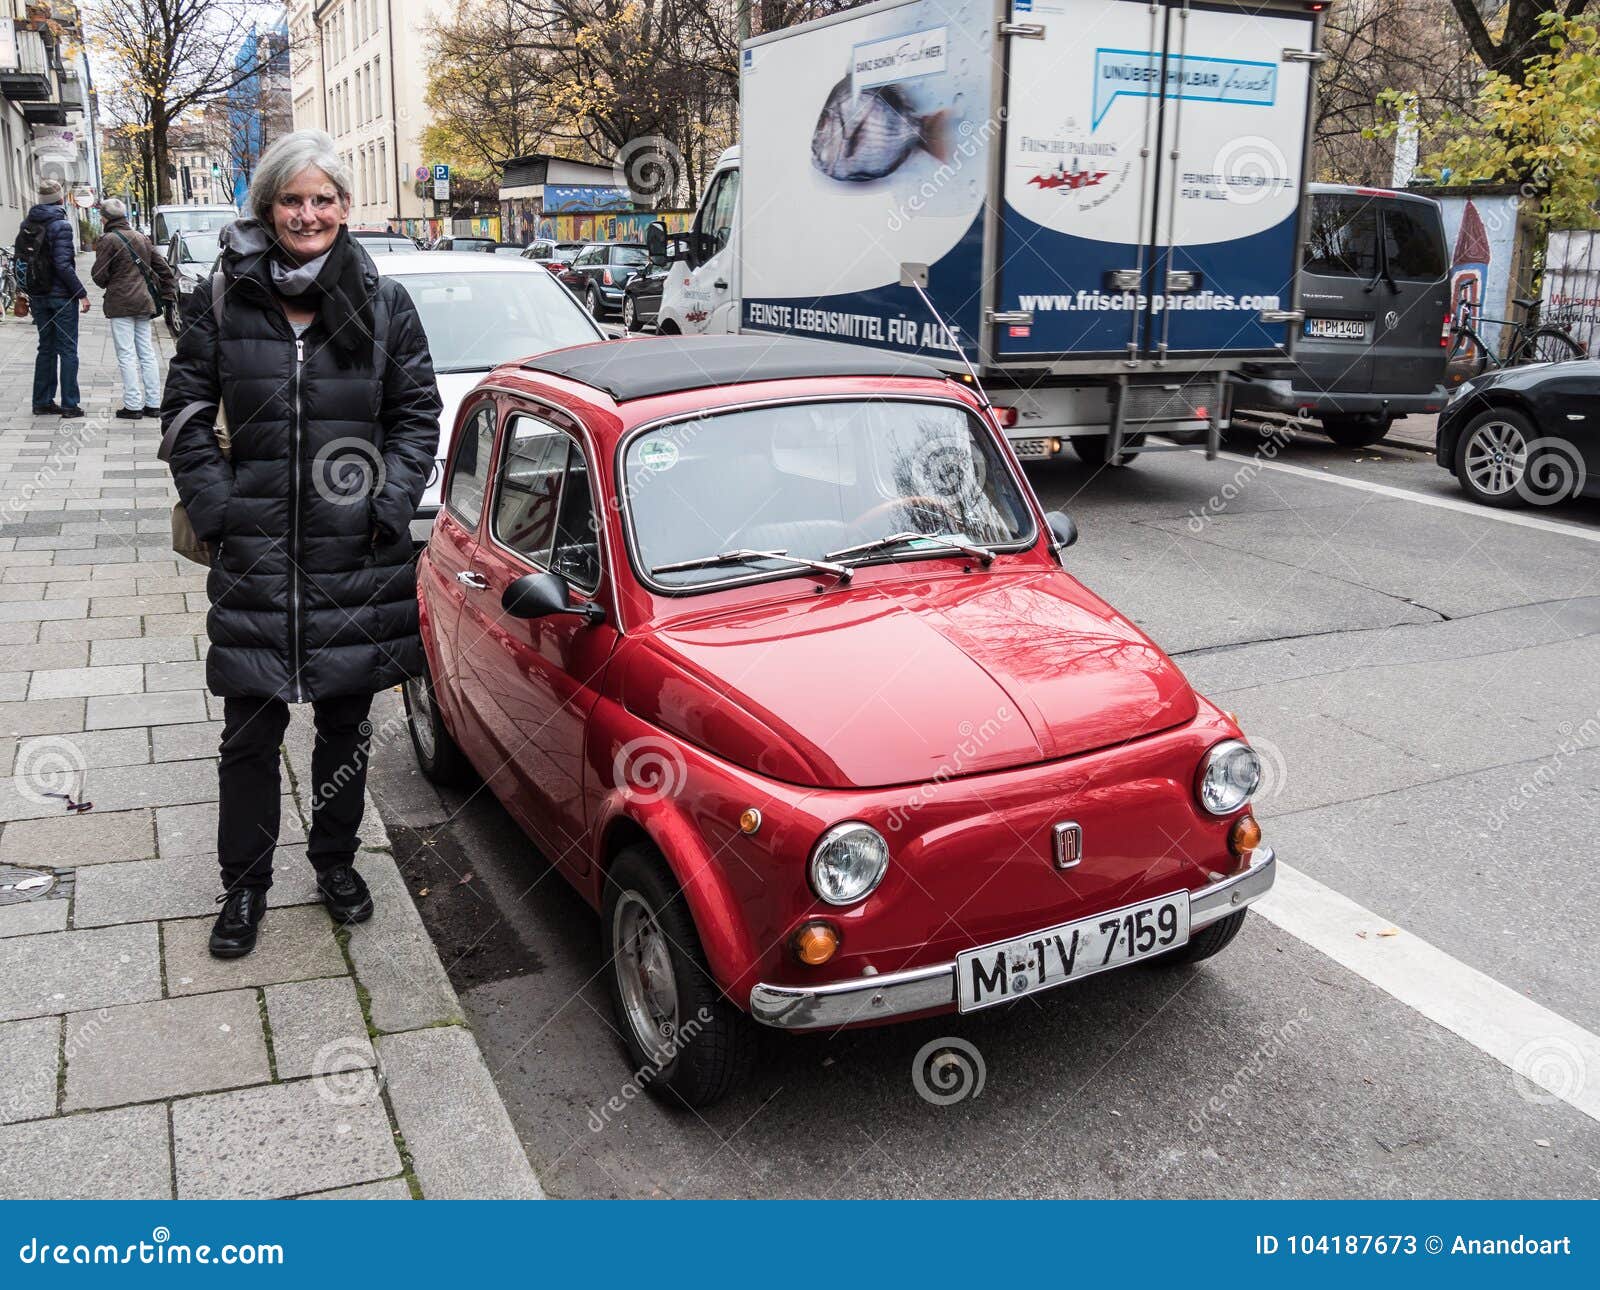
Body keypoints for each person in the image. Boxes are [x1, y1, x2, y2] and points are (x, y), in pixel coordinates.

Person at [163, 130, 442, 958]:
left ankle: (335, 863)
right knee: (249, 733)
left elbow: (416, 416)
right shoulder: (225, 299)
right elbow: (183, 415)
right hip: (253, 555)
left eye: (323, 199)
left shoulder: (384, 304)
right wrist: (218, 510)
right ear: (268, 208)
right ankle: (243, 887)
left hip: (354, 557)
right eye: (292, 199)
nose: (308, 213)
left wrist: (388, 505)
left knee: (345, 730)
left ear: (346, 209)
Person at [90, 197, 177, 420]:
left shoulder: (108, 240)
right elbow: (163, 269)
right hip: (144, 302)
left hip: (121, 304)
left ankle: (133, 405)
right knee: (147, 353)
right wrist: (167, 295)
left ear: (104, 219)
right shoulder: (141, 238)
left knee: (126, 355)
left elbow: (99, 276)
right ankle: (153, 403)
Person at [16, 179, 89, 417]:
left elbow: (21, 260)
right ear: (59, 198)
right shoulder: (61, 225)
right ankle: (70, 404)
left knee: (45, 348)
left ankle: (42, 401)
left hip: (38, 295)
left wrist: (23, 291)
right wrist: (82, 293)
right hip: (61, 297)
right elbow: (63, 265)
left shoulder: (27, 223)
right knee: (68, 349)